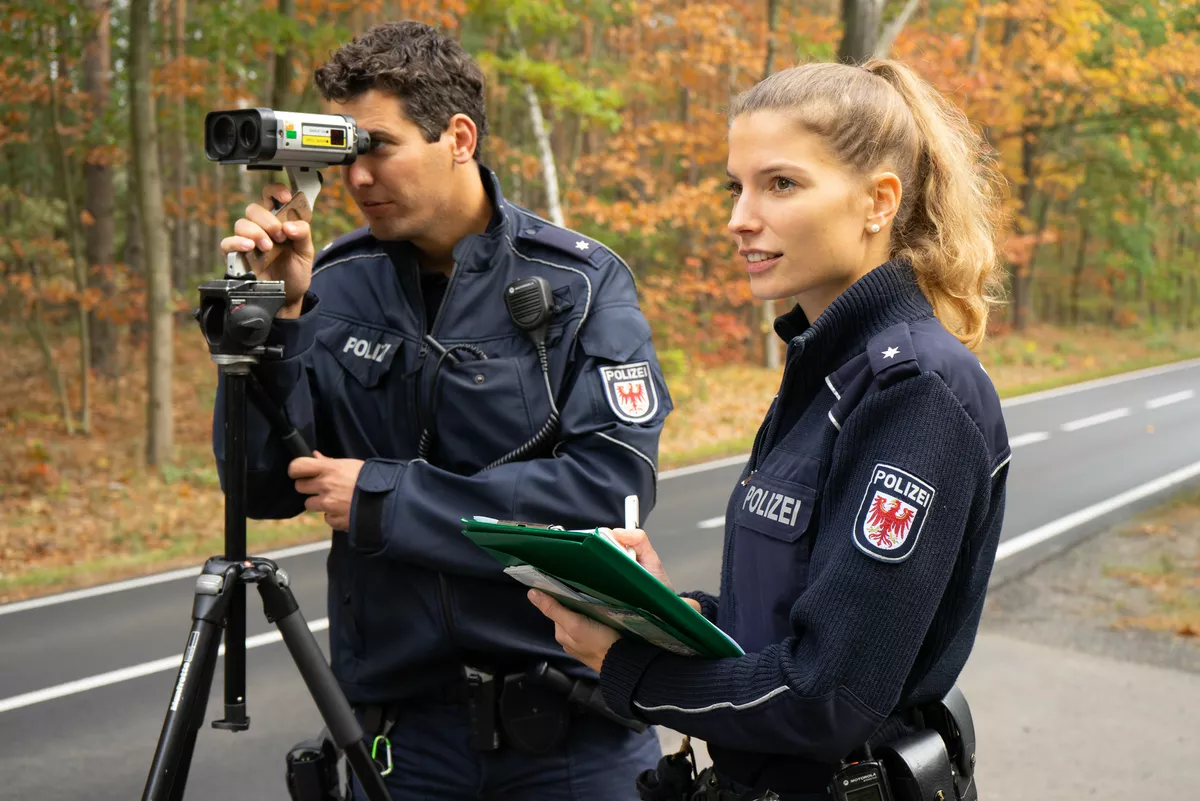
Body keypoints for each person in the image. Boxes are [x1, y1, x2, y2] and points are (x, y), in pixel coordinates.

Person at [213, 20, 671, 801]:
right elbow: (261, 487)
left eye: (378, 146)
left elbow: (608, 492)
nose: (357, 177)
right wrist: (274, 319)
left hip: (571, 733)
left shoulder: (580, 284)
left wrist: (388, 500)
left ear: (457, 136)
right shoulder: (334, 279)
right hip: (402, 744)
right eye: (342, 151)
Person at [529, 58, 1010, 800]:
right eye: (737, 185)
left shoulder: (914, 391)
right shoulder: (823, 366)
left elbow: (828, 695)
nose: (740, 217)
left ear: (878, 201)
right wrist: (663, 611)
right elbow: (791, 616)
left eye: (780, 184)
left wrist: (628, 667)